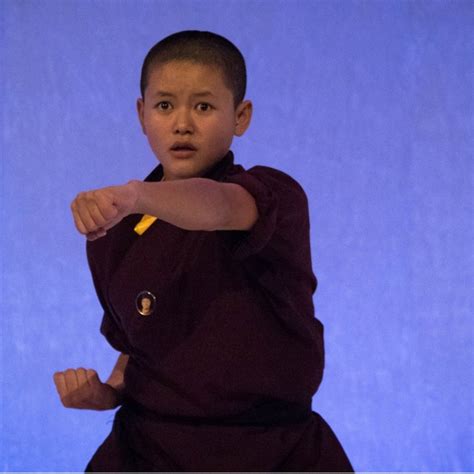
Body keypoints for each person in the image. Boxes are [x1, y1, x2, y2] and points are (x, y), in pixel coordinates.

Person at [53, 30, 353, 471]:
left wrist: (137, 195)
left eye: (204, 106)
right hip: (148, 449)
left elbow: (217, 206)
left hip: (271, 449)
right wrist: (106, 393)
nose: (182, 123)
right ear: (141, 114)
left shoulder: (272, 197)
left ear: (241, 116)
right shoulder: (116, 231)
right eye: (164, 105)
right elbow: (140, 346)